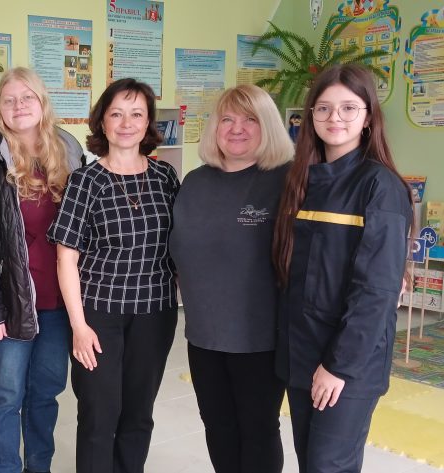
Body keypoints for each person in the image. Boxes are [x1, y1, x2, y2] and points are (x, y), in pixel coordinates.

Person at [272, 64, 412, 473]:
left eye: (349, 108)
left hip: (348, 362)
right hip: (301, 352)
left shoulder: (380, 186)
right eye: (324, 108)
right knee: (310, 461)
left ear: (368, 117)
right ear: (310, 116)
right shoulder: (301, 181)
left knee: (327, 465)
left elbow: (377, 290)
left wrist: (338, 366)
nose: (335, 118)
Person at [47, 78, 179, 473]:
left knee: (138, 414)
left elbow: (183, 247)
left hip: (155, 312)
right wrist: (78, 326)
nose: (126, 123)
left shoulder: (165, 177)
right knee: (99, 416)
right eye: (116, 114)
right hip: (99, 315)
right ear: (102, 122)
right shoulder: (85, 181)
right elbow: (65, 258)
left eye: (136, 114)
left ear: (148, 122)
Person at [0, 67, 84, 473]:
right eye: (9, 100)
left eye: (27, 97)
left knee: (45, 393)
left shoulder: (70, 152)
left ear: (42, 102)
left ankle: (38, 467)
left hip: (59, 303)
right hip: (10, 304)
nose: (19, 106)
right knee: (4, 396)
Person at [168, 84, 294, 473]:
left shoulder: (287, 181)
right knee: (218, 426)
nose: (237, 129)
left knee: (257, 430)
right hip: (204, 336)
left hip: (260, 339)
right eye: (227, 119)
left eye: (250, 119)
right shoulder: (194, 182)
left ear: (268, 125)